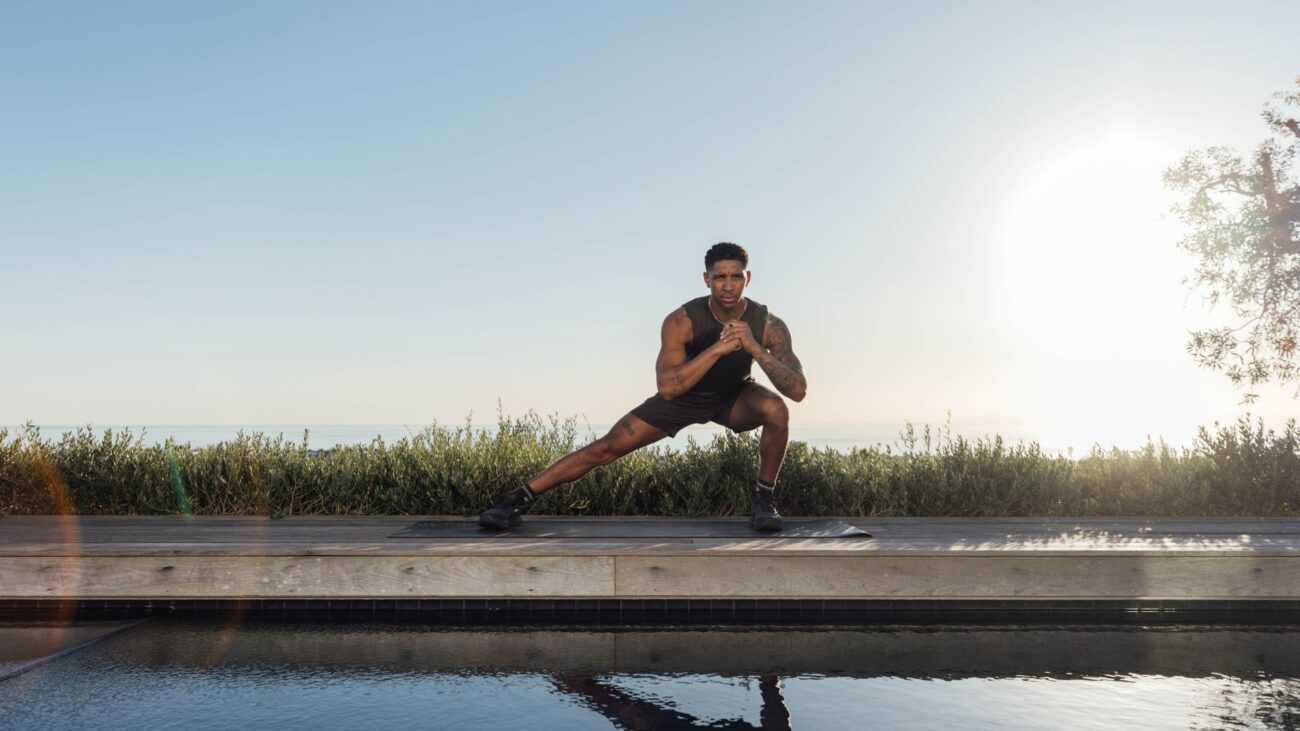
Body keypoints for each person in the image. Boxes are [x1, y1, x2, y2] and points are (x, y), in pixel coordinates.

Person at [478, 242, 807, 532]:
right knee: (606, 448)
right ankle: (514, 500)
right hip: (682, 397)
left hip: (733, 398)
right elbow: (667, 388)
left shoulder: (769, 325)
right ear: (706, 279)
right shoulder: (682, 320)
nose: (728, 285)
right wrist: (718, 349)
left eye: (736, 277)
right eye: (720, 277)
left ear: (747, 278)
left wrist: (754, 349)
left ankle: (763, 499)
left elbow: (798, 391)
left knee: (776, 409)